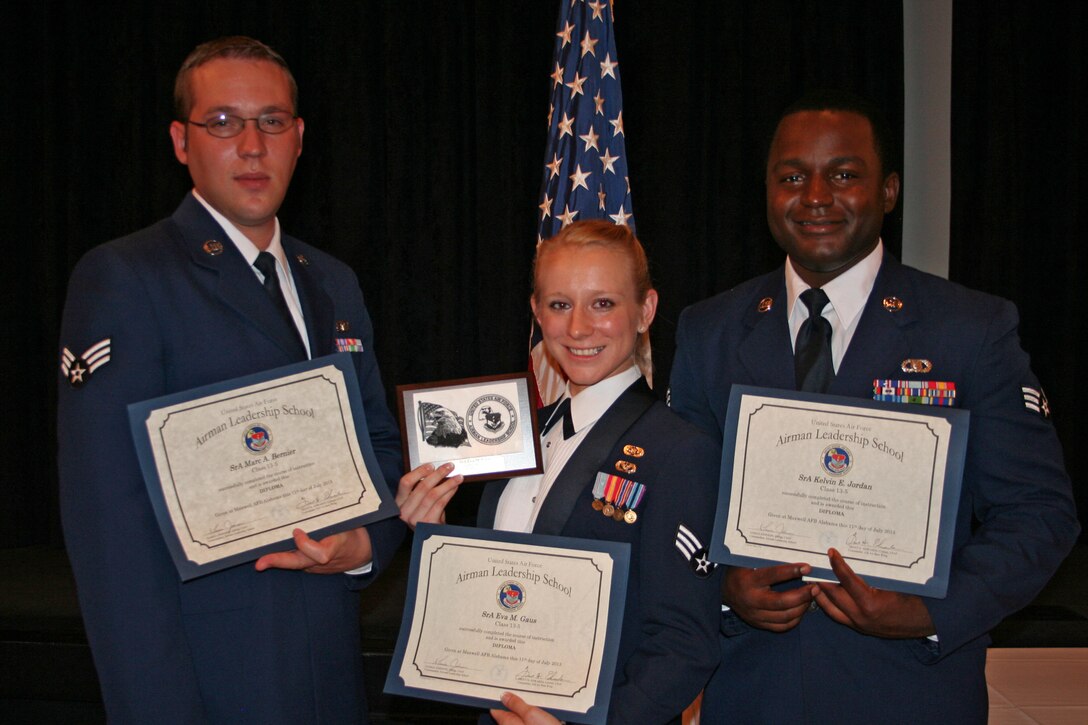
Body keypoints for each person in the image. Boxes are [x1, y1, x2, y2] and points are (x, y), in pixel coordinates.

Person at [668, 90, 1080, 723]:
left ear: (888, 191)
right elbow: (677, 509)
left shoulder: (970, 330)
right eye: (791, 177)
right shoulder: (709, 331)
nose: (815, 196)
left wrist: (928, 613)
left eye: (843, 175)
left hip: (910, 690)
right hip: (753, 689)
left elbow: (1039, 514)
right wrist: (721, 588)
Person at [56, 37, 404, 723]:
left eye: (272, 121)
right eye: (223, 123)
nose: (252, 145)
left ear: (299, 138)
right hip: (209, 684)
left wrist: (364, 545)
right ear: (181, 142)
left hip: (330, 675)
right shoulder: (126, 278)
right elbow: (110, 531)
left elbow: (380, 447)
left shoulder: (331, 281)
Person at [398, 220, 723, 724]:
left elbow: (685, 646)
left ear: (646, 311)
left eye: (603, 303)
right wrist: (433, 537)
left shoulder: (680, 451)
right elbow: (496, 599)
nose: (577, 329)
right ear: (536, 313)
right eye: (559, 304)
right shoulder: (512, 440)